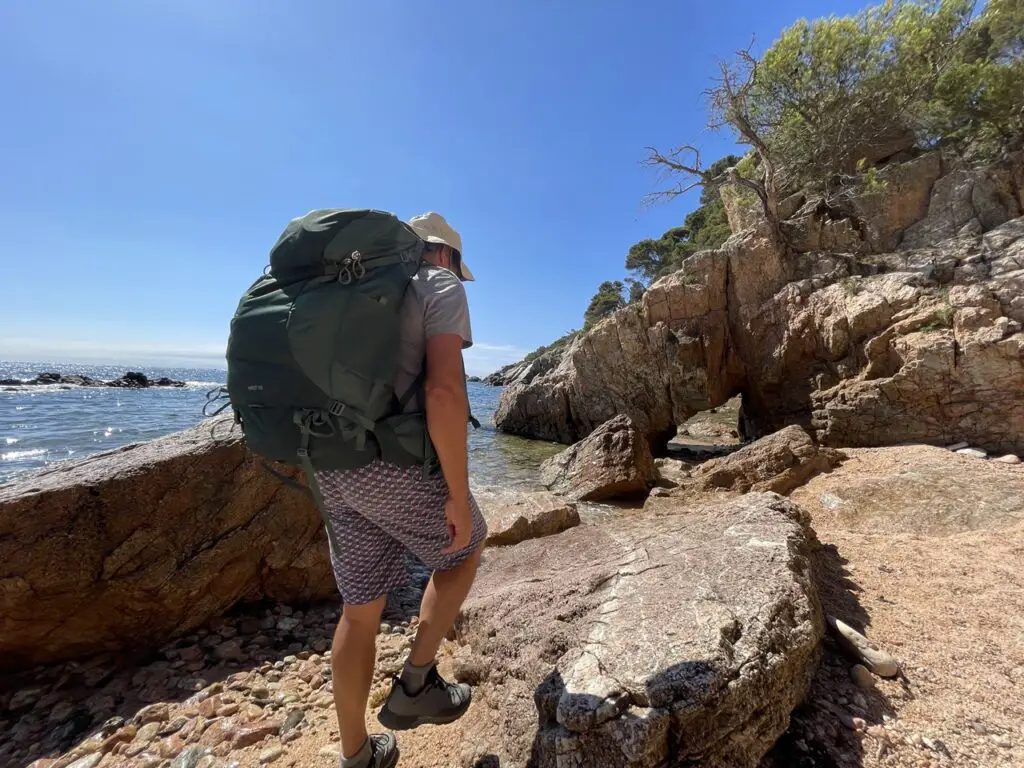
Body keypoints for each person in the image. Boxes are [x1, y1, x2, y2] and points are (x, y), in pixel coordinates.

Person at [316, 212, 487, 768]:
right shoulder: (436, 284)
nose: (459, 275)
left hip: (327, 462)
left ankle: (357, 755)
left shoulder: (348, 288)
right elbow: (443, 393)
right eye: (460, 266)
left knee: (360, 610)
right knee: (468, 543)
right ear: (446, 256)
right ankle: (415, 685)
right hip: (386, 463)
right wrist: (457, 495)